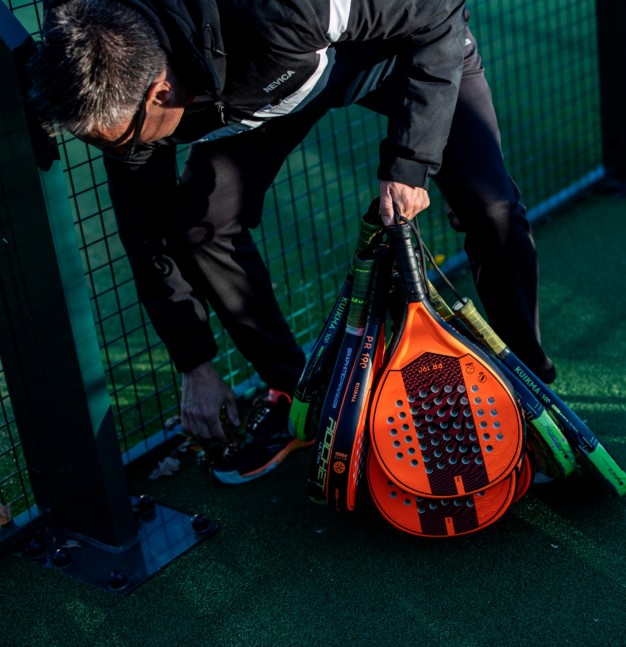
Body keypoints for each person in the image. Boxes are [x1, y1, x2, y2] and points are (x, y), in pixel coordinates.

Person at [28, 0, 556, 485]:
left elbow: (438, 12)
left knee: (491, 208)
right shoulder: (110, 67)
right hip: (274, 88)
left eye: (116, 141)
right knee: (200, 223)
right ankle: (306, 398)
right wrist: (194, 363)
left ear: (159, 90)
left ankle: (534, 391)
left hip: (396, 50)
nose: (116, 153)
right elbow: (147, 228)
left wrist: (412, 161)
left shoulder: (278, 7)